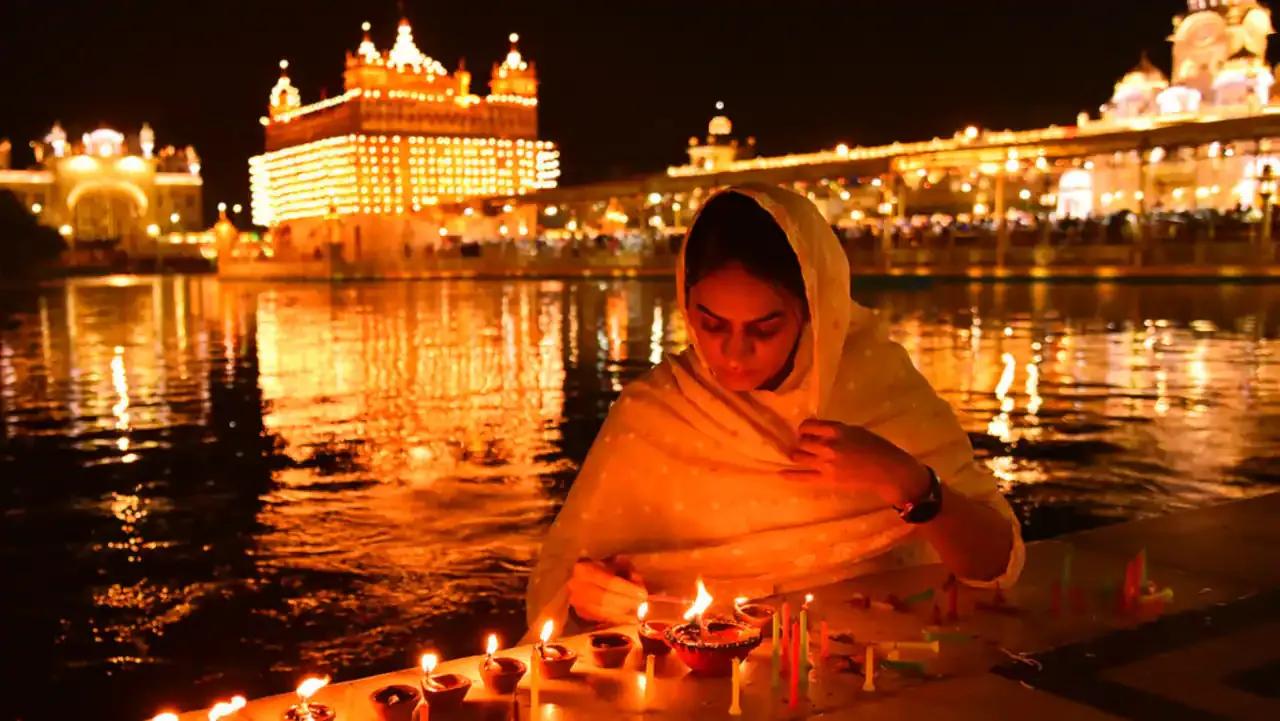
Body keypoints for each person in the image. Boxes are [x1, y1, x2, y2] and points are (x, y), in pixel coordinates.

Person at [525, 184, 1023, 631]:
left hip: (868, 671)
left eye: (764, 329)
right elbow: (564, 585)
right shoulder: (654, 413)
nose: (734, 354)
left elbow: (996, 563)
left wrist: (907, 482)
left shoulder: (876, 389)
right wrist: (588, 595)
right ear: (685, 303)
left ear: (812, 312)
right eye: (711, 324)